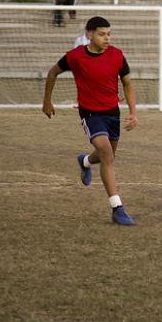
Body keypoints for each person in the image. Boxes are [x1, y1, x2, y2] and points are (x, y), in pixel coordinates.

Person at [42, 16, 138, 226]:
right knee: (106, 153)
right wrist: (47, 102)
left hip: (112, 113)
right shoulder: (75, 57)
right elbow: (52, 73)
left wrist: (133, 112)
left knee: (108, 155)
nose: (107, 39)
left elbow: (128, 84)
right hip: (90, 113)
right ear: (89, 34)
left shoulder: (117, 56)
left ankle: (84, 161)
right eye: (102, 34)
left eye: (109, 34)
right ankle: (117, 208)